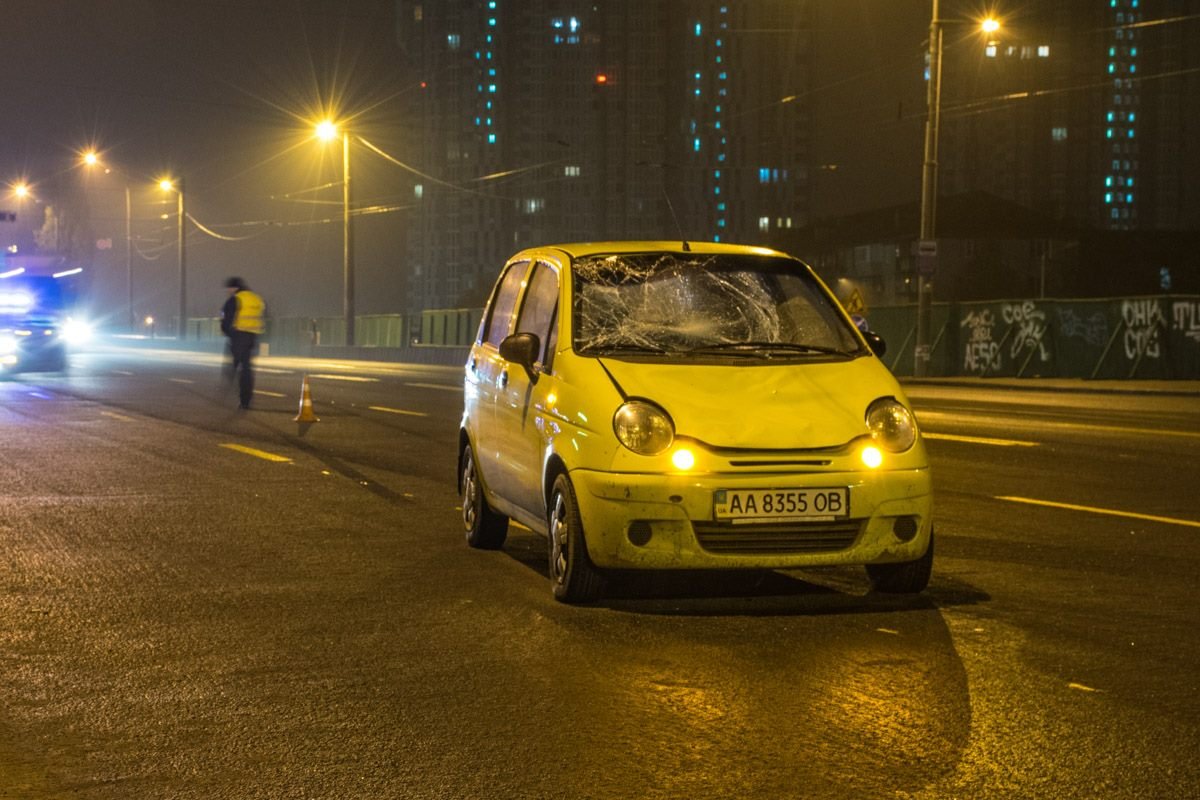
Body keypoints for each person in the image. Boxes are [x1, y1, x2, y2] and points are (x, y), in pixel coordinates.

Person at [220, 277, 266, 409]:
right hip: (253, 336)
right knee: (247, 369)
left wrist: (228, 332)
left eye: (229, 289)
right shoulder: (257, 299)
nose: (228, 291)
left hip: (238, 335)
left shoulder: (235, 299)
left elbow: (226, 319)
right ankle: (245, 400)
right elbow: (264, 317)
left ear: (234, 288)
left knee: (231, 366)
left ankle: (226, 391)